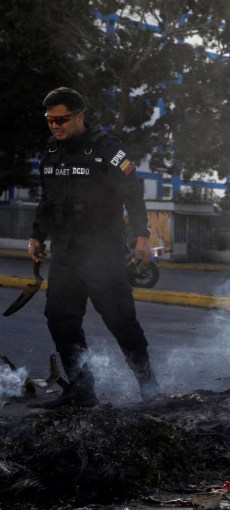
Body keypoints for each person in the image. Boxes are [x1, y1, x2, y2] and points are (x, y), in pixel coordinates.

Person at [28, 87, 160, 408]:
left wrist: (141, 234)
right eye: (50, 120)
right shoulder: (51, 151)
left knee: (120, 321)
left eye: (61, 119)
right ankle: (82, 388)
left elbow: (132, 189)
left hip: (102, 252)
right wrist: (37, 236)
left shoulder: (106, 149)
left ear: (79, 116)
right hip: (67, 252)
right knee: (60, 319)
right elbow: (49, 201)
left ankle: (149, 388)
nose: (55, 126)